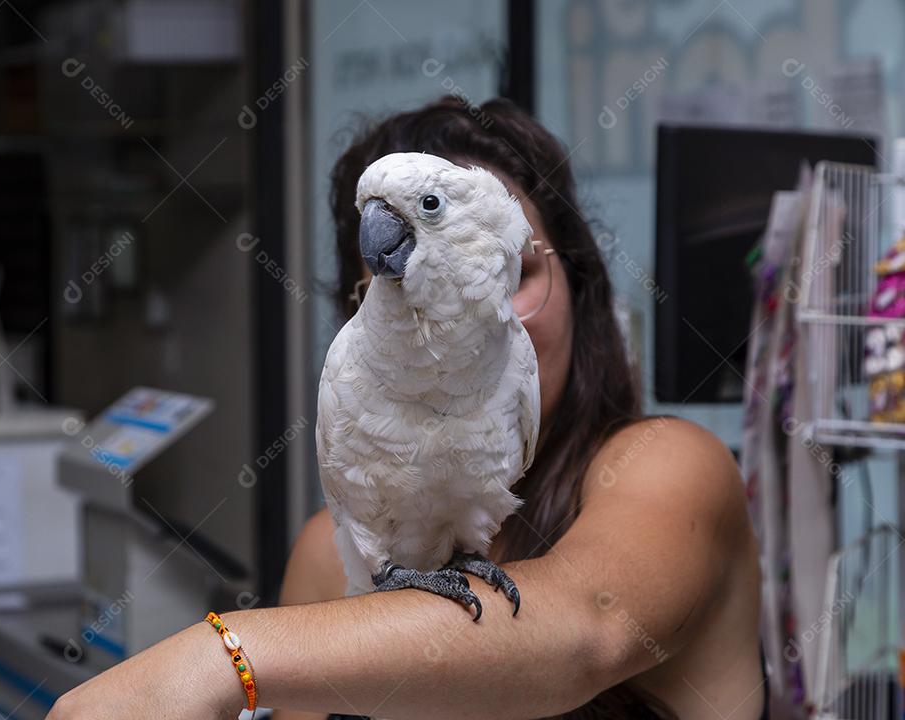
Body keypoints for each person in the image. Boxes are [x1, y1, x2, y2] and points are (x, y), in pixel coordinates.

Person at [46, 97, 765, 720]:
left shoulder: (668, 467)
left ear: (582, 287)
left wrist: (223, 654)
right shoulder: (333, 552)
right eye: (393, 283)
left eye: (523, 272)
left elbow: (588, 631)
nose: (500, 316)